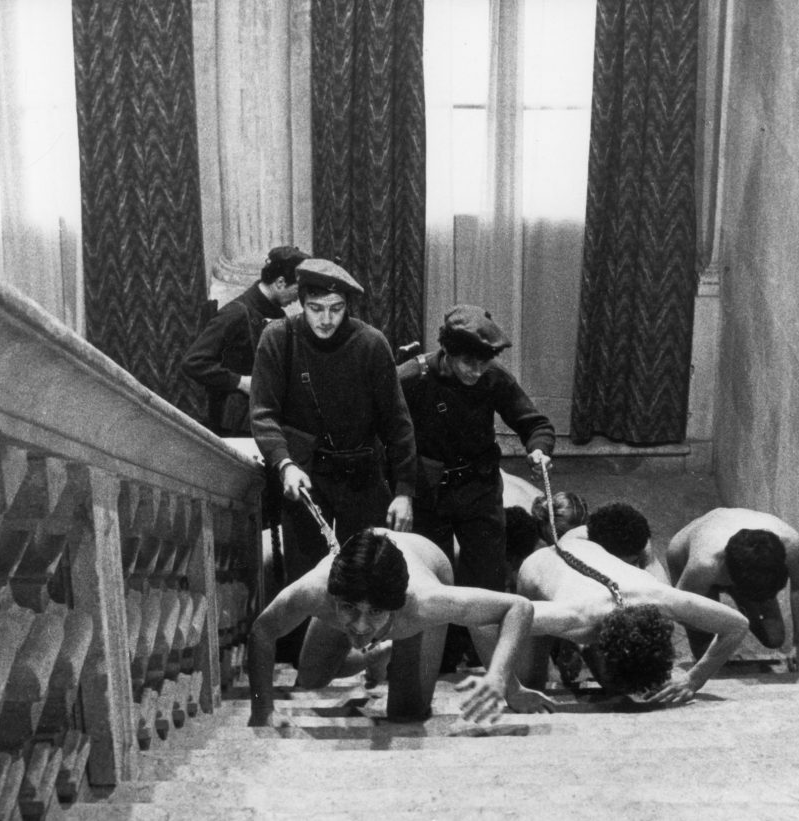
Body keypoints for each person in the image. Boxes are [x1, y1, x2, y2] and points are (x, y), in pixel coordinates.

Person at [247, 528, 546, 726]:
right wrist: (262, 711)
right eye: (349, 608)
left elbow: (517, 607)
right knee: (311, 678)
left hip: (427, 560)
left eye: (375, 612)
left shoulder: (424, 602)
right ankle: (379, 653)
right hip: (365, 561)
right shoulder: (314, 591)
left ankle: (384, 641)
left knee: (406, 713)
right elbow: (262, 631)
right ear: (333, 596)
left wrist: (503, 682)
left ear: (395, 606)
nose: (360, 626)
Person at [398, 305, 555, 669]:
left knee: (487, 579)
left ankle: (487, 658)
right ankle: (440, 659)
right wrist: (400, 489)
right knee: (432, 580)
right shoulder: (412, 377)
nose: (476, 371)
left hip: (479, 488)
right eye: (468, 362)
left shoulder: (492, 376)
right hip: (428, 494)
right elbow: (385, 429)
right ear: (448, 352)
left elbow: (535, 424)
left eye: (483, 363)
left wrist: (539, 449)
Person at [249, 258, 416, 586]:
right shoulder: (279, 337)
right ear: (301, 302)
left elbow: (397, 423)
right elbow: (263, 412)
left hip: (363, 479)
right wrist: (284, 464)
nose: (326, 319)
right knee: (307, 581)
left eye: (336, 308)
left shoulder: (371, 343)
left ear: (347, 306)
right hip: (306, 480)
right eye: (316, 308)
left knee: (367, 578)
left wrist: (404, 491)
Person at [515, 517, 749, 703]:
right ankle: (565, 648)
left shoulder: (663, 598)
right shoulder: (575, 617)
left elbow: (737, 625)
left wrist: (693, 679)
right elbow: (497, 618)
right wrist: (510, 687)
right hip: (539, 567)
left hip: (586, 548)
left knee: (628, 682)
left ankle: (575, 650)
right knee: (531, 682)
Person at [663, 508, 799, 673]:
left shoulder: (793, 545)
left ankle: (745, 610)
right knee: (708, 659)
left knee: (774, 637)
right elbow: (678, 609)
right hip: (686, 552)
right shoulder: (704, 565)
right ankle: (732, 618)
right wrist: (726, 626)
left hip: (735, 561)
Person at [182, 245, 306, 436]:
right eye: (296, 290)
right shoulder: (236, 313)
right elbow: (193, 362)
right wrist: (240, 381)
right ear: (280, 282)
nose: (297, 299)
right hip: (236, 424)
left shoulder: (277, 314)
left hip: (266, 416)